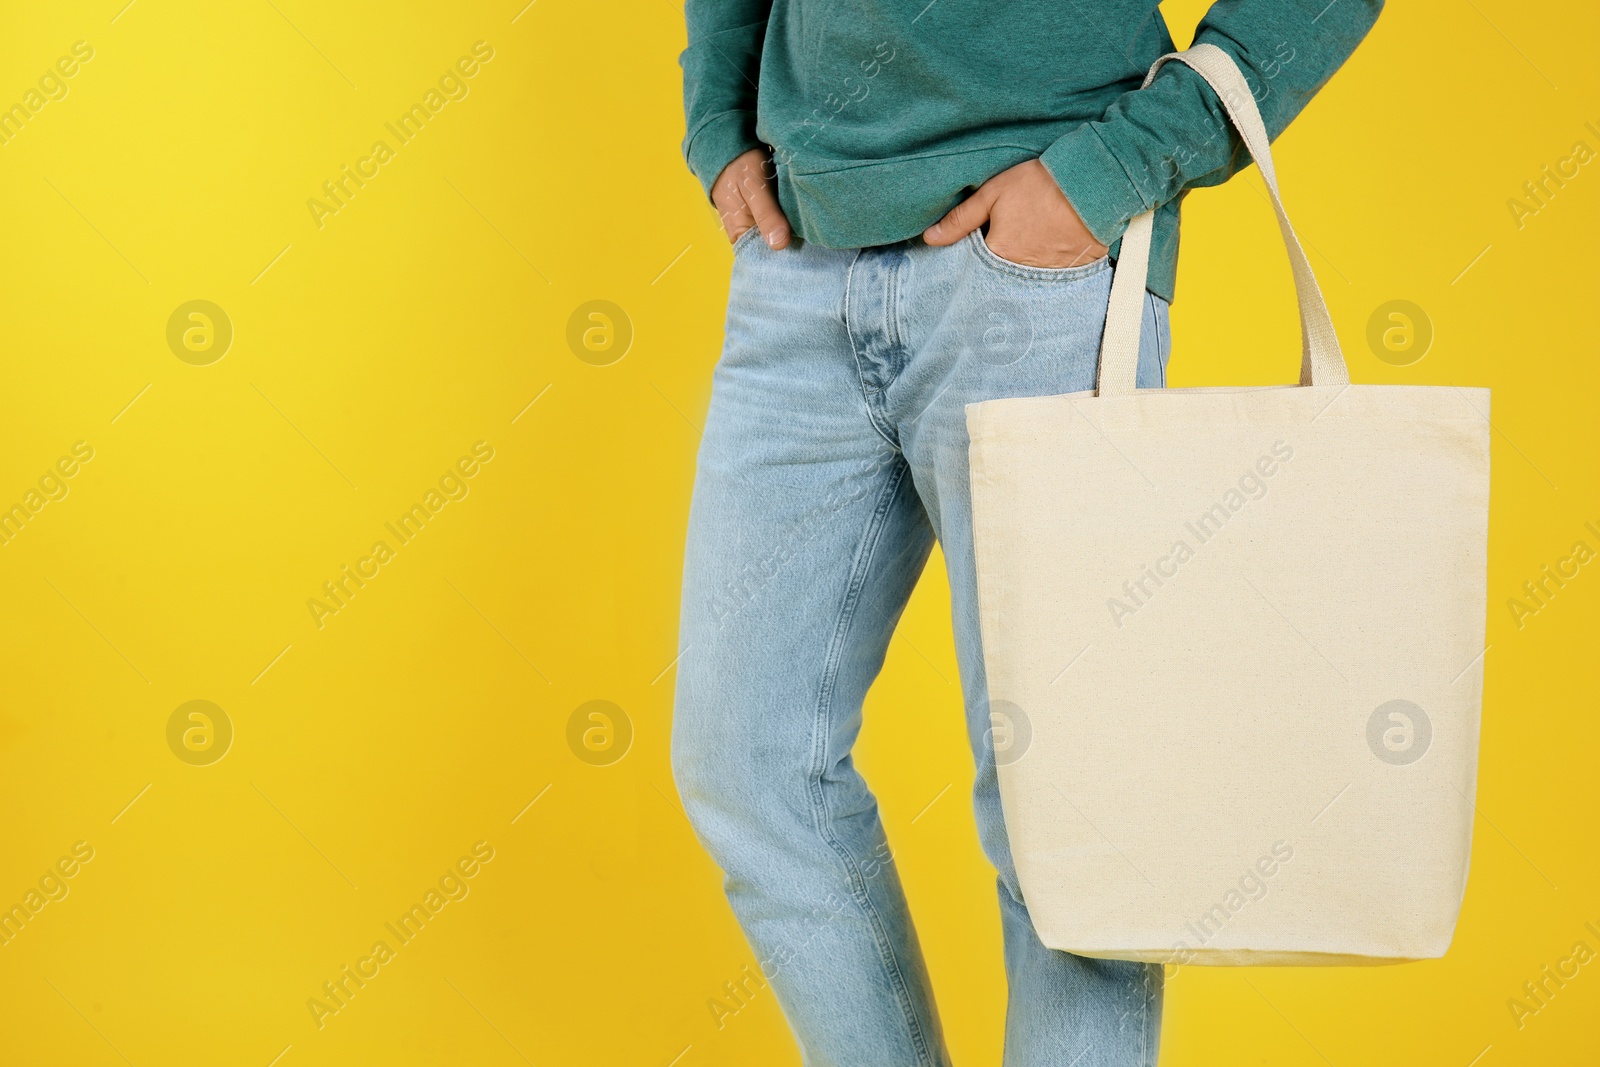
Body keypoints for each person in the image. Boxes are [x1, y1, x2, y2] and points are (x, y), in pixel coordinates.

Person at [670, 3, 1381, 1064]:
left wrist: (1115, 169)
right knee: (745, 761)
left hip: (1036, 271)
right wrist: (716, 121)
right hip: (796, 264)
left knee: (1063, 806)